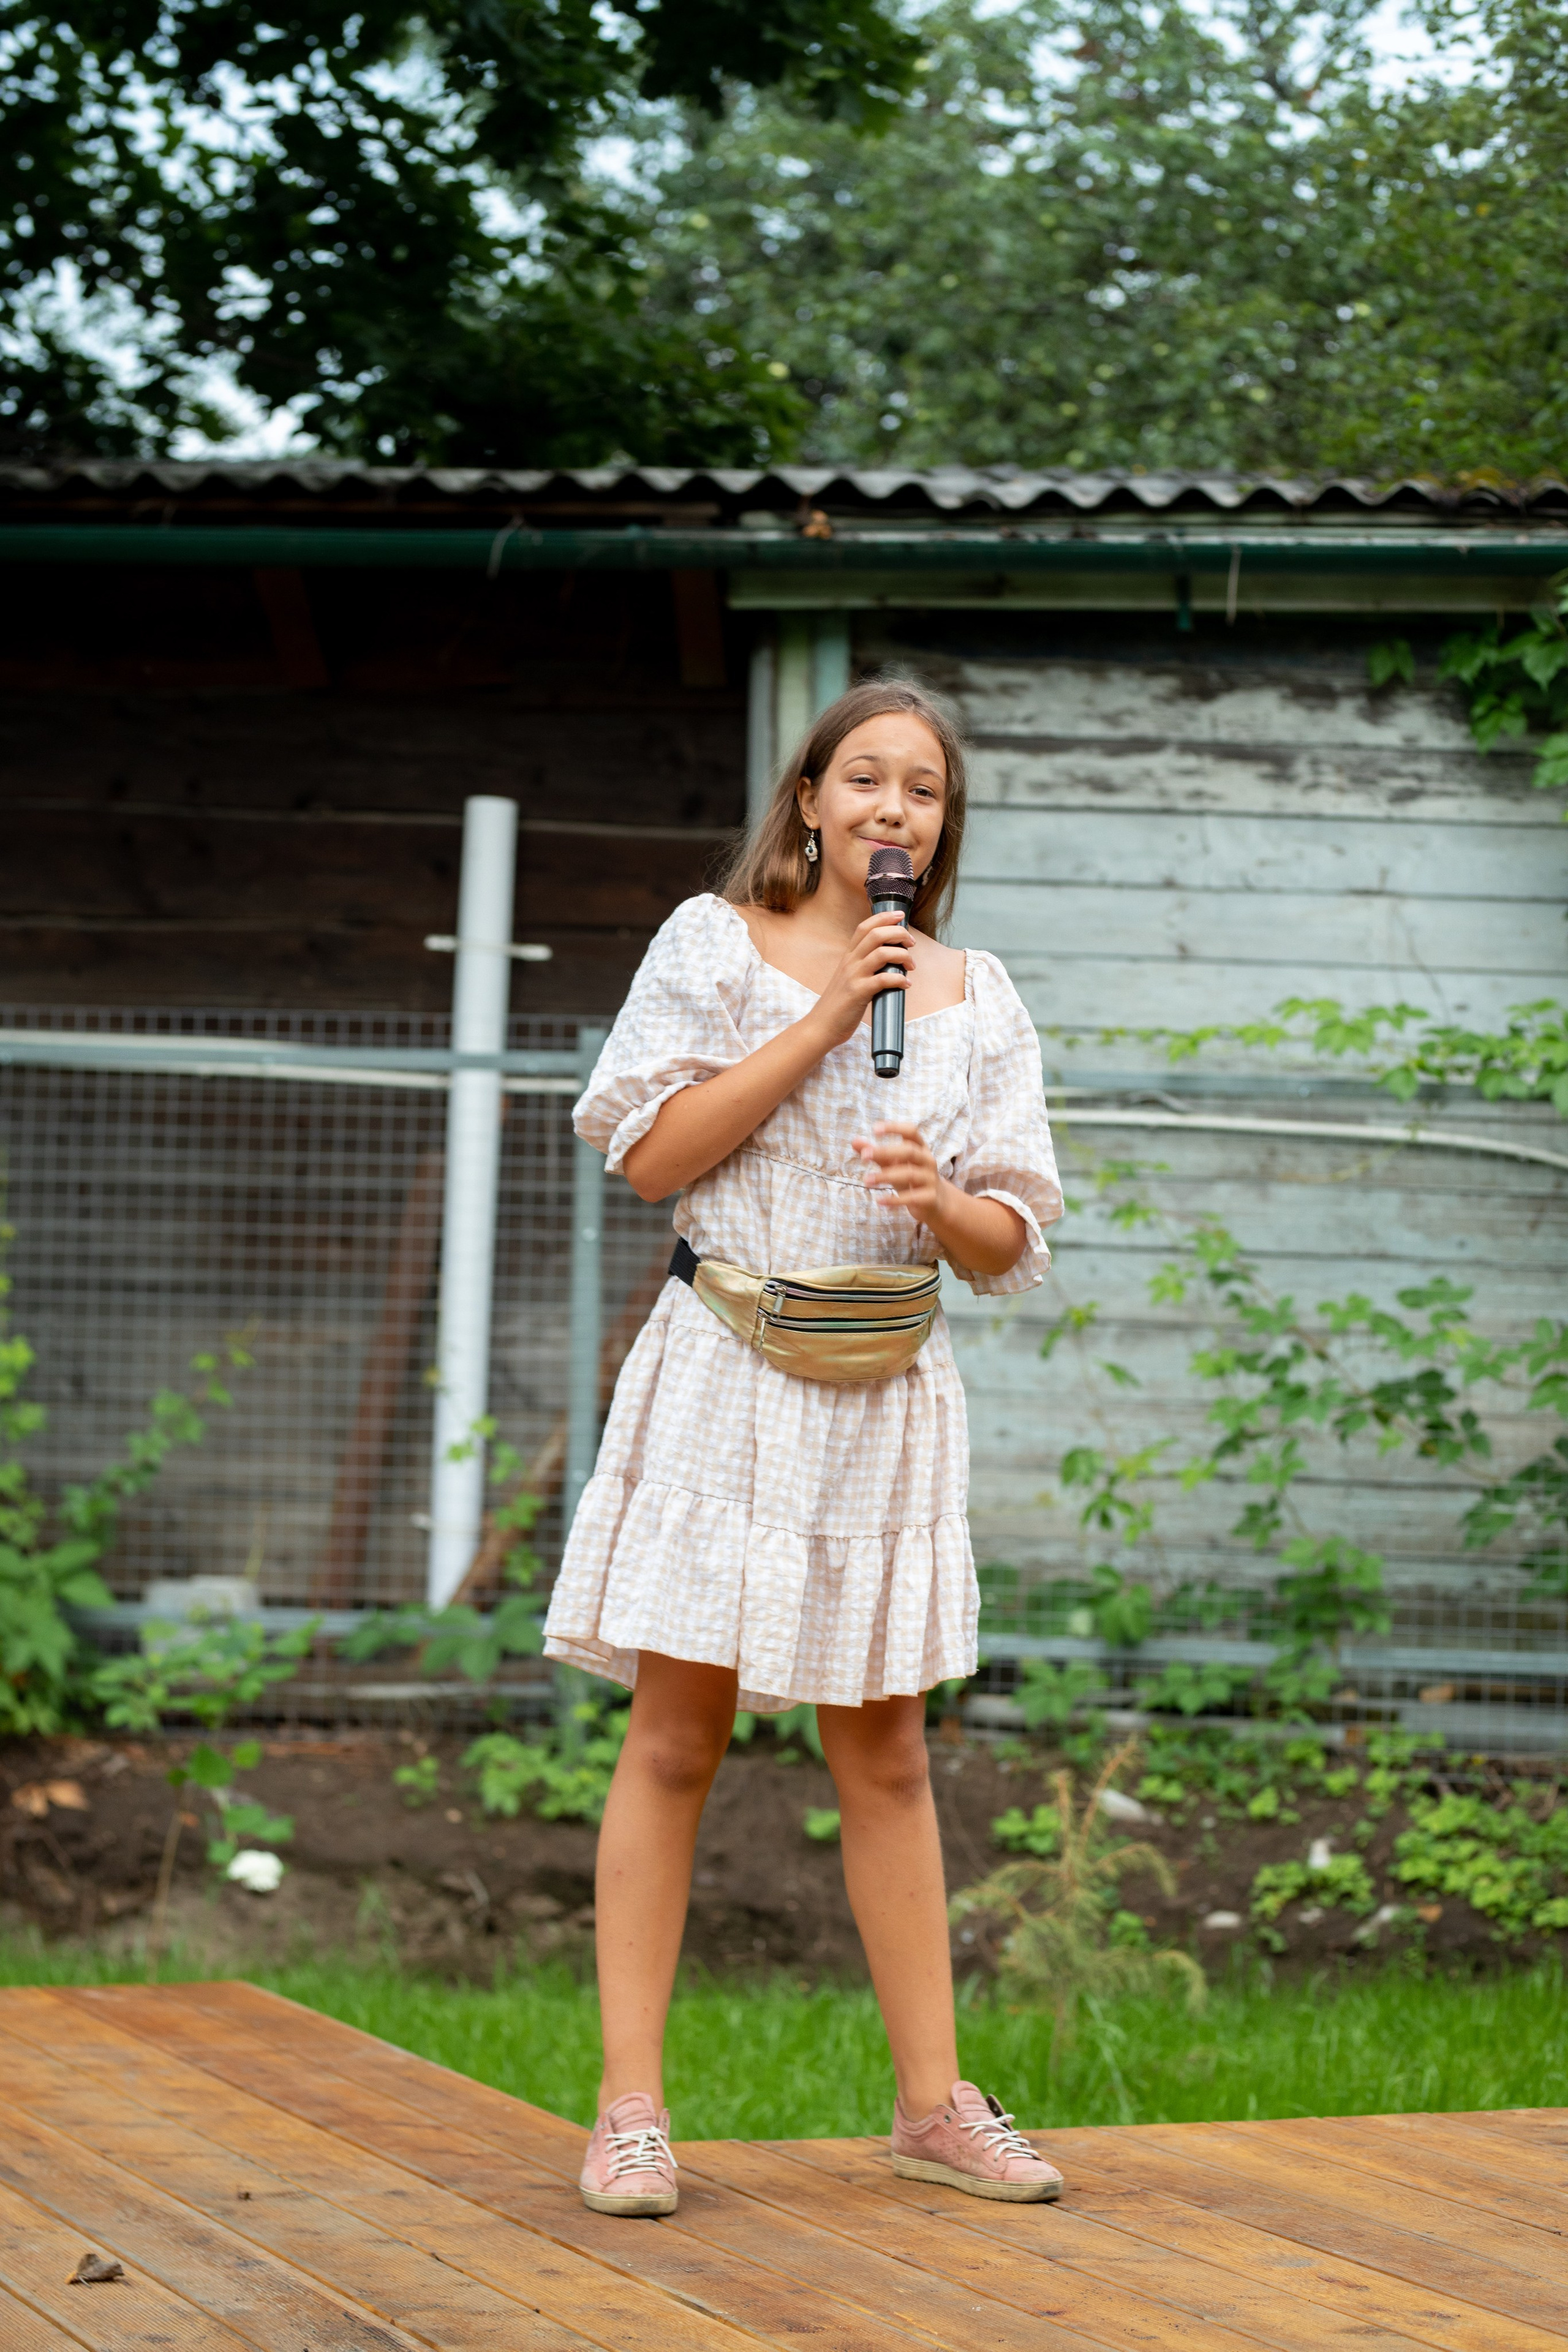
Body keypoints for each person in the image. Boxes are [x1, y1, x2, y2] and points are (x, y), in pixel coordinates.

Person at [544, 678, 1065, 2216]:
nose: (891, 808)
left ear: (939, 825)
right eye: (863, 780)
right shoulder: (713, 945)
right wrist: (829, 1013)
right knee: (675, 1738)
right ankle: (629, 2113)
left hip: (884, 1395)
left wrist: (936, 1199)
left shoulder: (979, 992)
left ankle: (931, 2107)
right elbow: (648, 1159)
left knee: (887, 1753)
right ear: (812, 802)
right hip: (729, 1374)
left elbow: (1010, 1235)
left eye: (921, 789)